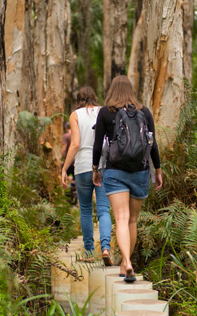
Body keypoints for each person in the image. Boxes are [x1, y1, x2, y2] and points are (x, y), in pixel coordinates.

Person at [92, 75, 163, 282]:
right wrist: (157, 171)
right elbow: (153, 144)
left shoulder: (106, 113)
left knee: (121, 219)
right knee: (133, 220)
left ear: (112, 90)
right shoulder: (144, 112)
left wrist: (95, 168)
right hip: (140, 172)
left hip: (115, 171)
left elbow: (98, 145)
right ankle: (126, 263)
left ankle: (127, 262)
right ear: (131, 90)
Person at [61, 87, 112, 262]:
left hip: (82, 166)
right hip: (103, 166)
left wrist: (63, 168)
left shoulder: (75, 115)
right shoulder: (103, 111)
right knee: (104, 210)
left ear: (79, 99)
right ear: (94, 97)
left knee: (85, 210)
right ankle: (106, 248)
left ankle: (89, 251)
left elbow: (75, 144)